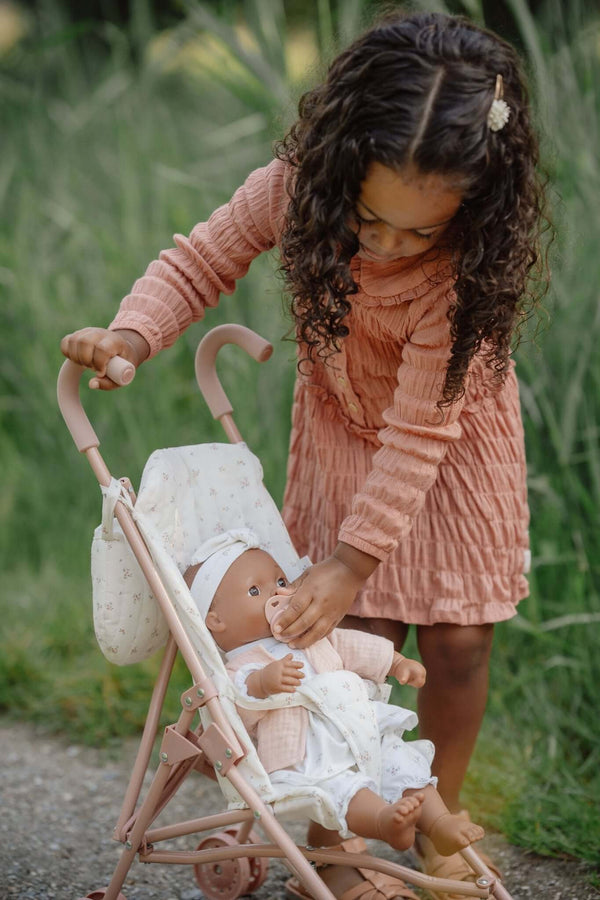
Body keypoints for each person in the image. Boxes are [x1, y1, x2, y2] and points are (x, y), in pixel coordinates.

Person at [61, 11, 549, 899]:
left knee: (462, 640)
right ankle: (332, 835)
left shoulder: (469, 277)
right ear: (337, 166)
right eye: (371, 220)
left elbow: (418, 433)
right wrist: (133, 333)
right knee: (349, 635)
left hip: (447, 448)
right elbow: (201, 259)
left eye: (419, 233)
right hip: (338, 440)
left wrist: (356, 559)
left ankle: (435, 817)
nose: (390, 246)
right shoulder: (290, 189)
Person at [184, 530, 485, 863]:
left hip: (361, 729)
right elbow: (232, 709)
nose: (277, 594)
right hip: (308, 754)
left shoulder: (304, 634)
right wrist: (261, 684)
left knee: (400, 760)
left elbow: (351, 645)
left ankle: (439, 823)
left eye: (280, 581)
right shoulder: (240, 667)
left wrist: (396, 662)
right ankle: (385, 823)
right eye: (255, 591)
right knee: (340, 788)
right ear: (217, 621)